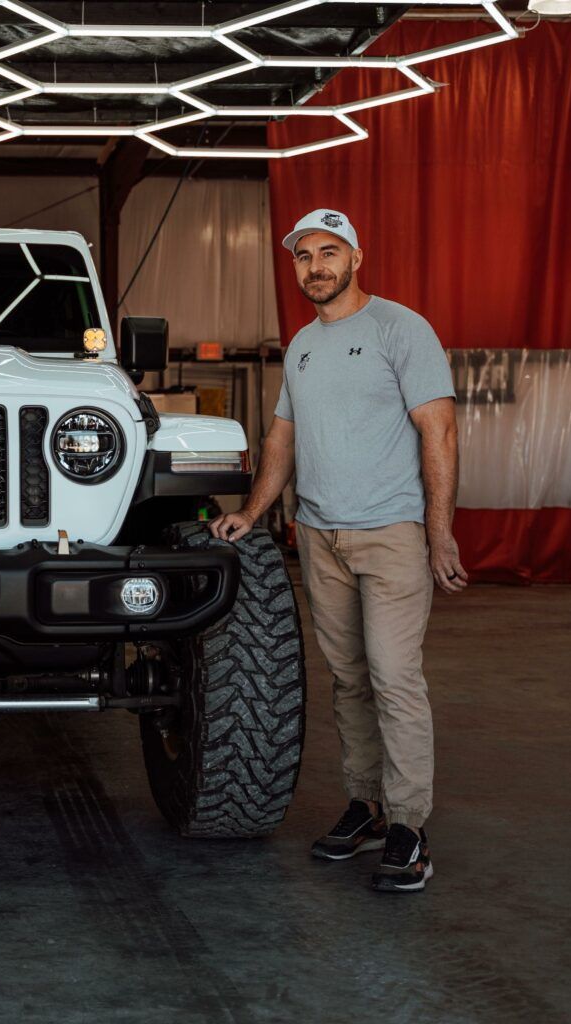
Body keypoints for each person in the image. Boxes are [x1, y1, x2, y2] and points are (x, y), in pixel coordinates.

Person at [209, 209, 464, 893]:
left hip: (390, 534)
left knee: (393, 676)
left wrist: (439, 531)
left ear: (356, 257)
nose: (314, 267)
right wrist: (253, 515)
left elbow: (438, 431)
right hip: (319, 537)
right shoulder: (301, 347)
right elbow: (282, 440)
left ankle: (411, 828)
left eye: (329, 252)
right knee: (348, 678)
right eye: (303, 257)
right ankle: (367, 806)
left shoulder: (399, 329)